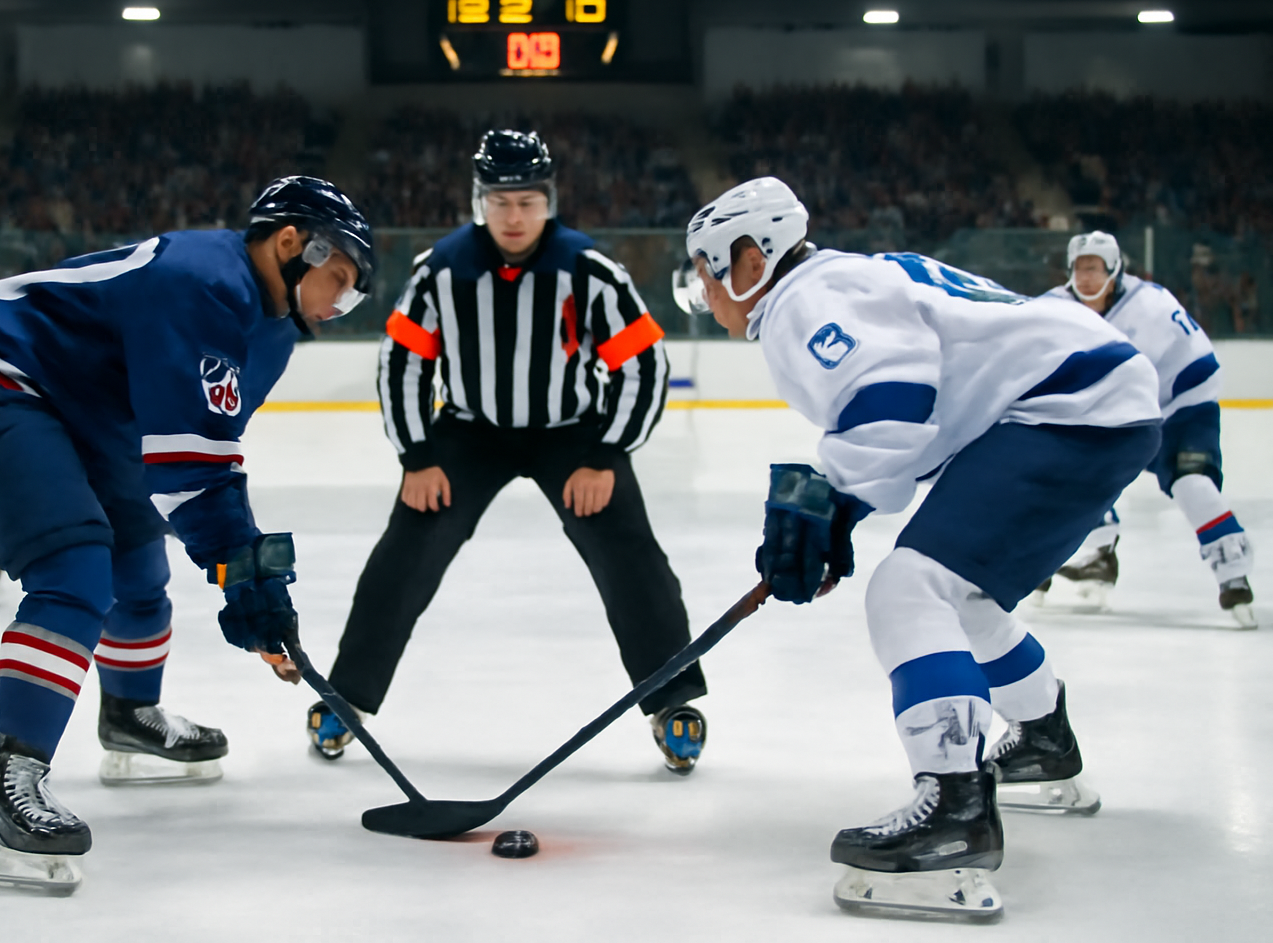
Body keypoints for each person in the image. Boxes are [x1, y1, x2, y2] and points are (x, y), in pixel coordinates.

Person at [675, 178, 1161, 919]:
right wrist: (840, 512)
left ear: (749, 261)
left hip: (1067, 405)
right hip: (1093, 395)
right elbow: (913, 425)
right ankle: (1040, 737)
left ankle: (955, 808)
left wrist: (826, 502)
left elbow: (893, 402)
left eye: (708, 270)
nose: (704, 289)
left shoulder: (802, 300)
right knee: (961, 595)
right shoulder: (846, 277)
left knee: (910, 590)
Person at [0, 177, 376, 893]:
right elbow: (193, 470)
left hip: (95, 419)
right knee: (74, 571)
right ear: (293, 243)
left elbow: (209, 457)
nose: (341, 303)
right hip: (3, 378)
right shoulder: (202, 278)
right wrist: (248, 579)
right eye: (341, 278)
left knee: (139, 564)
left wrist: (252, 583)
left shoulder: (274, 331)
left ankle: (130, 713)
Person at [310, 130, 708, 774]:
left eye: (526, 201)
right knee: (405, 554)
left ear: (547, 200)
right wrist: (416, 455)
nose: (514, 216)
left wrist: (606, 455)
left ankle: (674, 700)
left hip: (573, 434)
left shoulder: (590, 271)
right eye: (501, 202)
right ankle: (347, 695)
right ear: (480, 201)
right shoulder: (441, 270)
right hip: (469, 434)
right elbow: (403, 364)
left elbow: (643, 366)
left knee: (631, 555)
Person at [1039, 231, 1254, 627]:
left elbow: (1201, 366)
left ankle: (1231, 569)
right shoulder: (1053, 308)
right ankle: (1099, 550)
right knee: (1068, 472)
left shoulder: (1151, 306)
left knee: (1193, 484)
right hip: (1117, 416)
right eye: (1080, 268)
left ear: (1115, 270)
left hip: (1178, 411)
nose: (1086, 276)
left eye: (1095, 267)